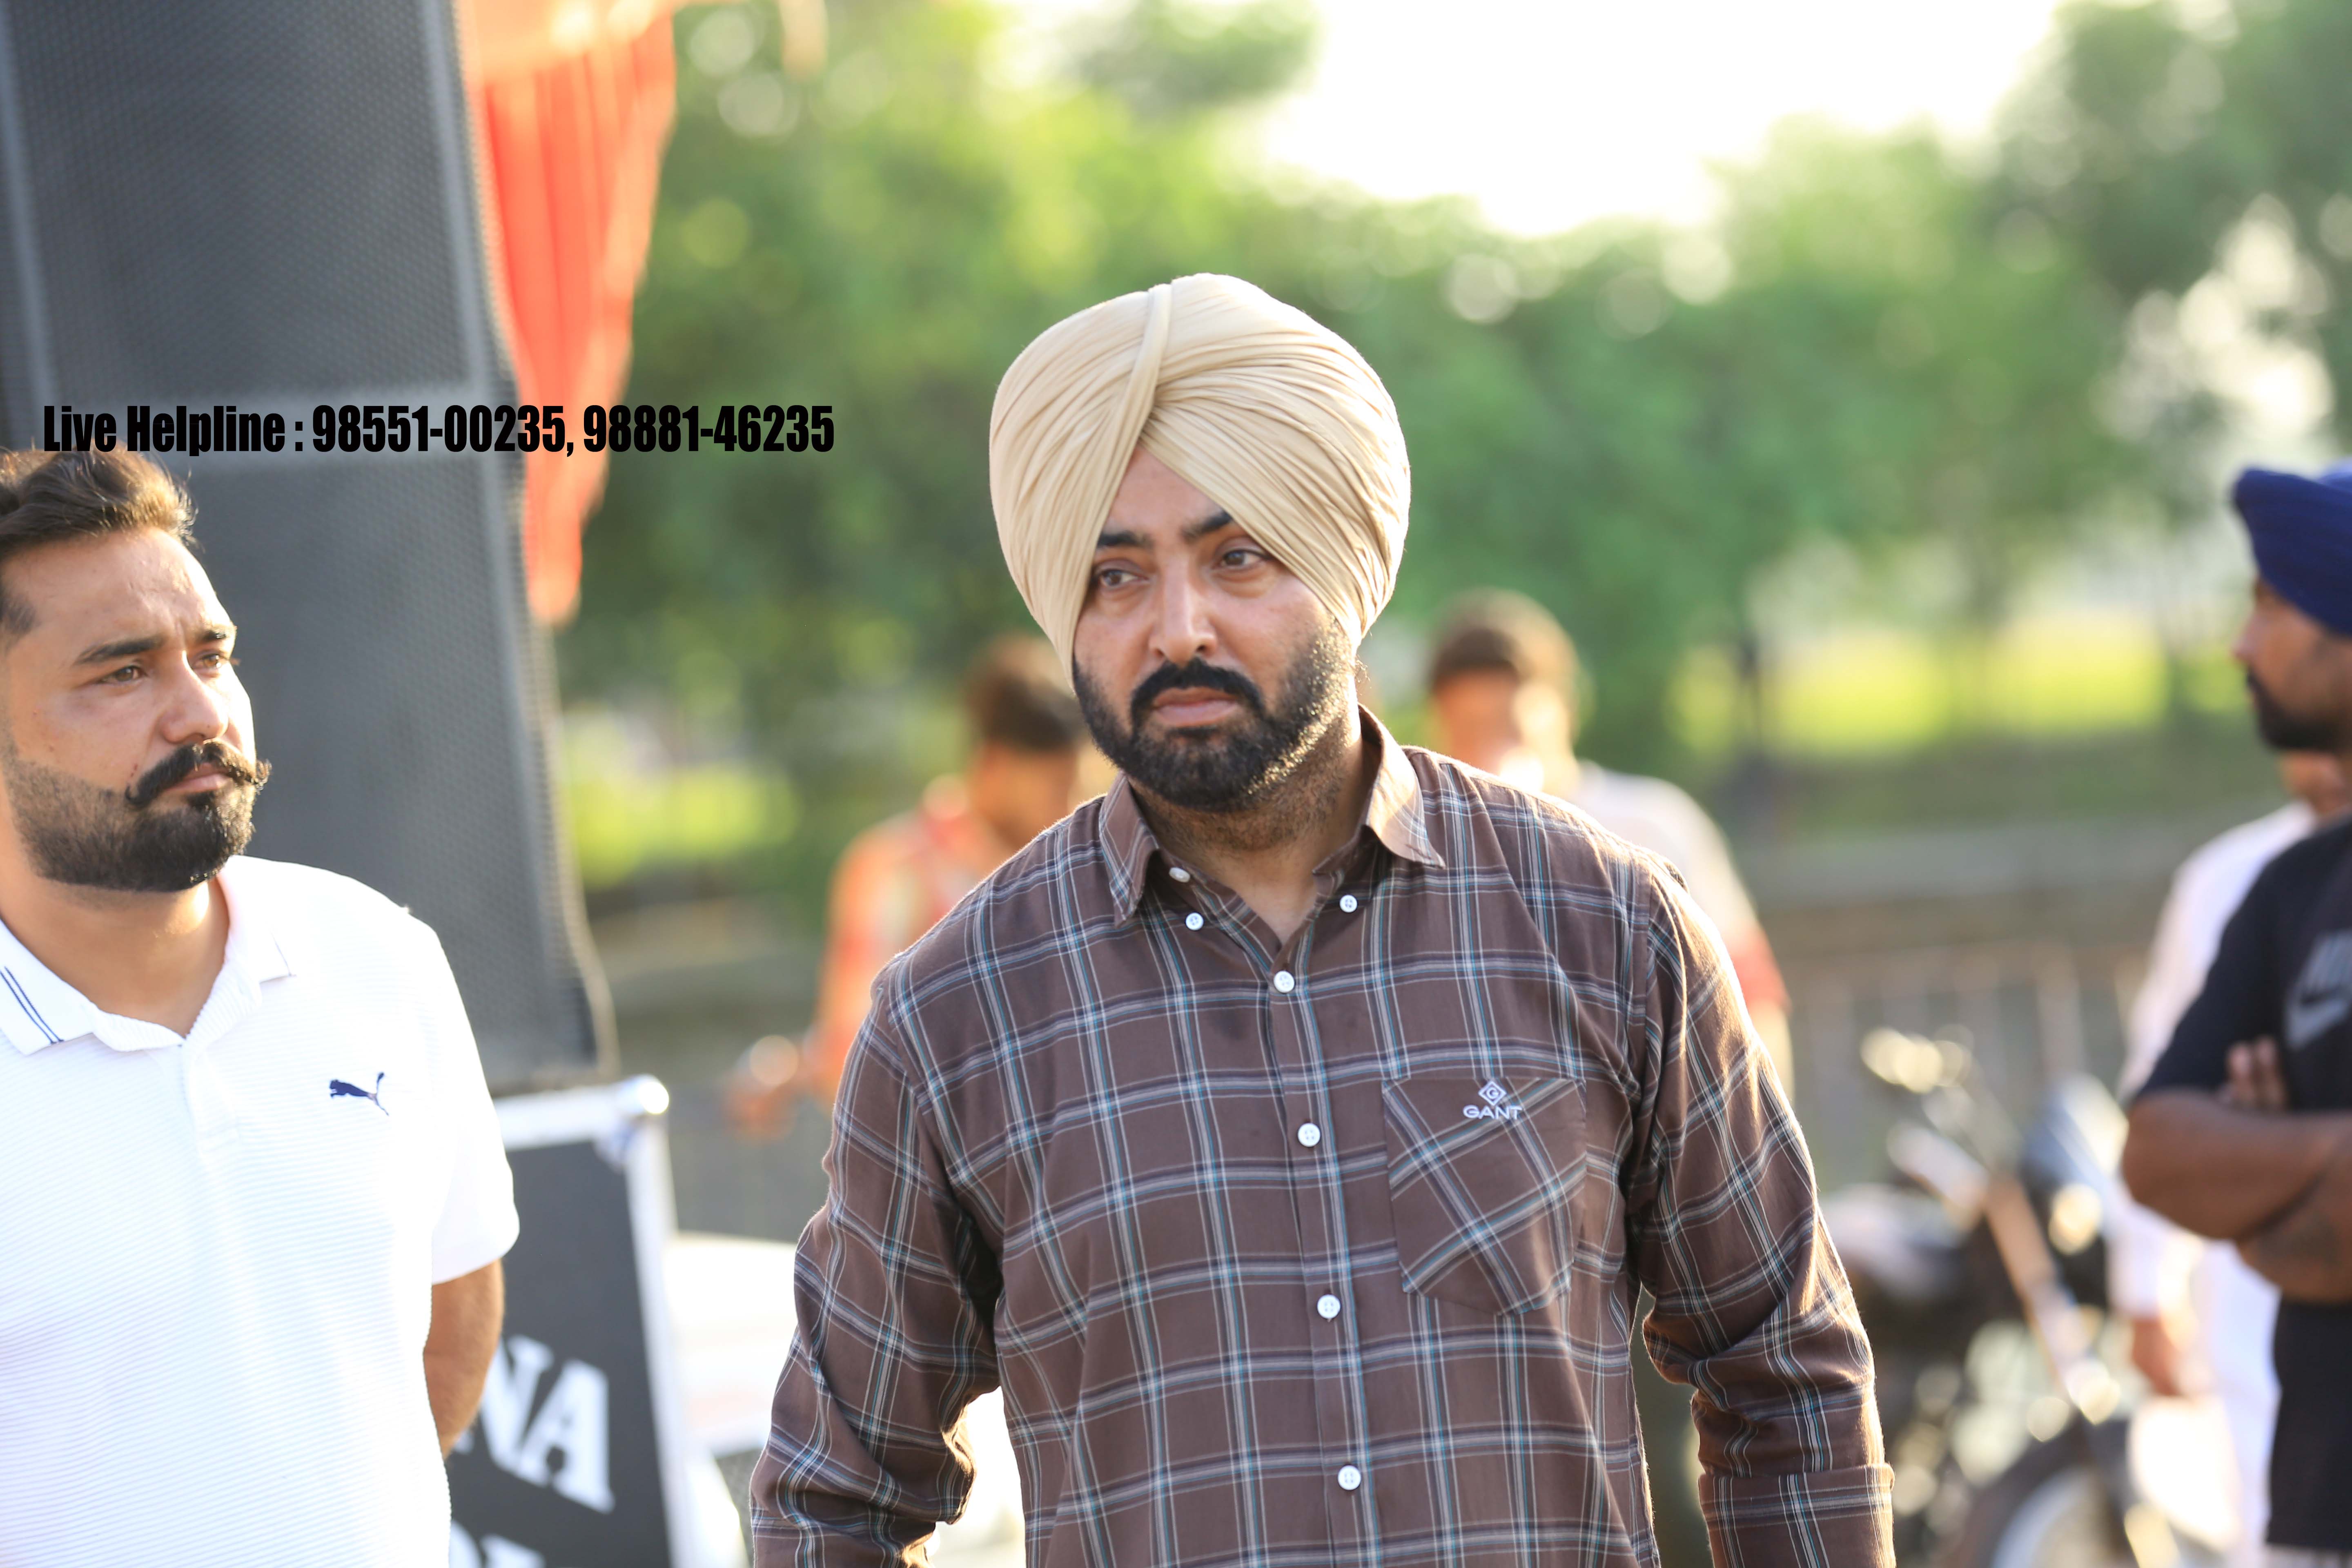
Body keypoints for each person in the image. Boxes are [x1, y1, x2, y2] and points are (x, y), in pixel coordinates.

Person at [751, 274, 1892, 1566]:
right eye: (1115, 575)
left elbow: (1784, 1374)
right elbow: (833, 1496)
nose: (1177, 628)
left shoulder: (1602, 924)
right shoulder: (960, 1013)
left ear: (1349, 573)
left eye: (1237, 557)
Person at [0, 450, 517, 1565]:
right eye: (122, 673)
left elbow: (452, 1316)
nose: (201, 712)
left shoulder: (379, 957)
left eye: (211, 653)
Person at [2124, 460, 2352, 1568]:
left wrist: (2260, 1181)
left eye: (2271, 603)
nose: (2239, 643)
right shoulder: (2288, 888)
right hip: (2318, 1497)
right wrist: (2325, 1169)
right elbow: (2155, 1150)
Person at [2111, 749, 2349, 1565]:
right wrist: (2146, 1287)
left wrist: (2269, 1150)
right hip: (2262, 1298)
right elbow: (2161, 1125)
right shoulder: (2248, 879)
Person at [1425, 590, 1793, 1089]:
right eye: (1472, 731)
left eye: (1511, 727)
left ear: (1566, 707)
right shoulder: (1428, 850)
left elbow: (1749, 1000)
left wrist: (1762, 1126)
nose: (1493, 756)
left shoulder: (1652, 826)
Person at [724, 635, 1087, 1128]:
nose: (1070, 806)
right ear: (995, 764)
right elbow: (860, 1061)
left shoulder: (1073, 866)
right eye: (1058, 786)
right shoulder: (899, 873)